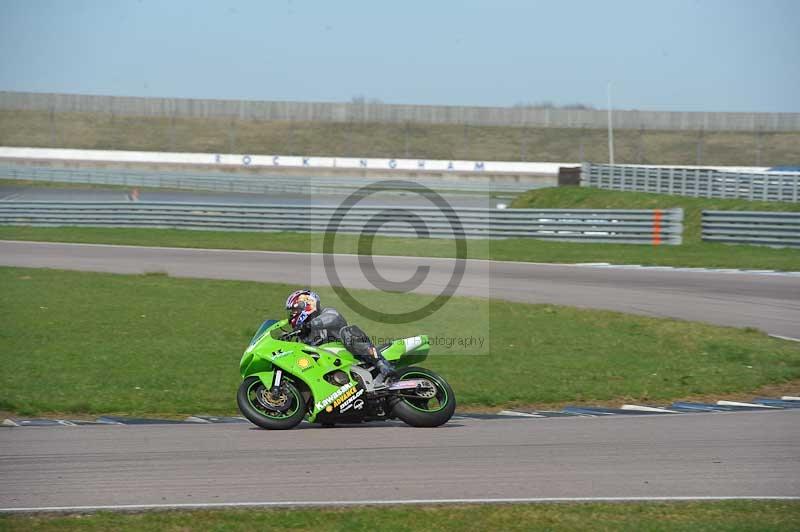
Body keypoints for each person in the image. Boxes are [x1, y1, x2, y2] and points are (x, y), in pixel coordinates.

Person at [285, 289, 395, 379]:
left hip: (356, 356)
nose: (292, 314)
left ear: (307, 304)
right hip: (335, 367)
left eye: (294, 310)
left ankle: (381, 364)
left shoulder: (328, 313)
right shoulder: (303, 335)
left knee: (348, 332)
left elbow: (333, 318)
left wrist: (308, 325)